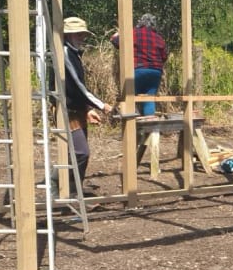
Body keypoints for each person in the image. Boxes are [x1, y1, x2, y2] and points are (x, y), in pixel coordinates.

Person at [61, 16, 111, 182]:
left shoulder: (74, 53)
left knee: (77, 154)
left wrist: (88, 109)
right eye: (78, 34)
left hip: (76, 109)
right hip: (66, 111)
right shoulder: (65, 53)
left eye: (83, 34)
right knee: (81, 153)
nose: (82, 38)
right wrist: (102, 105)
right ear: (68, 35)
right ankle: (62, 187)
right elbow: (78, 86)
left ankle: (74, 190)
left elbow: (75, 88)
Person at [110, 13, 169, 117]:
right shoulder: (159, 38)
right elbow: (164, 57)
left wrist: (119, 33)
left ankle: (133, 122)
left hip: (138, 70)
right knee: (149, 98)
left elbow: (115, 40)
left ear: (140, 22)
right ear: (154, 25)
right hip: (155, 72)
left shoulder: (133, 33)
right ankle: (149, 125)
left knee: (130, 97)